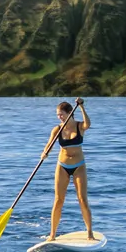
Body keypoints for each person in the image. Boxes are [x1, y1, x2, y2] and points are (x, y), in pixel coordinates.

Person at [39, 97, 94, 241]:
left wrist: (81, 106)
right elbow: (49, 144)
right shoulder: (57, 129)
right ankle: (52, 235)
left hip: (79, 166)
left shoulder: (79, 126)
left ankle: (90, 233)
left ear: (70, 112)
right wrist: (45, 153)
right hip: (62, 166)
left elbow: (88, 124)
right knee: (58, 200)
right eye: (58, 115)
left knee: (82, 199)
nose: (59, 117)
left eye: (61, 114)